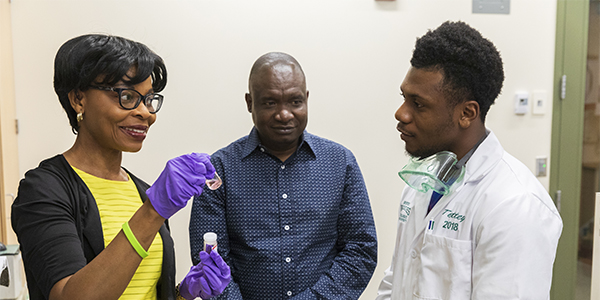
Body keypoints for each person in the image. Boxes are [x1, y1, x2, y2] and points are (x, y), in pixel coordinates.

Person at [11, 34, 230, 300]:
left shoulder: (142, 191)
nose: (146, 113)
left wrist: (183, 293)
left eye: (149, 99)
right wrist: (153, 212)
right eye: (127, 96)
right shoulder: (44, 191)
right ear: (79, 99)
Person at [376, 21, 563, 299]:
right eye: (404, 98)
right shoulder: (421, 183)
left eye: (418, 104)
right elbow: (397, 280)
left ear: (467, 113)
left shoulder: (514, 205)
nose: (401, 114)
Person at [189, 52, 378, 299]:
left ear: (307, 99)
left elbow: (361, 250)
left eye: (295, 102)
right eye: (269, 103)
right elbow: (211, 261)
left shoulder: (340, 162)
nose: (284, 114)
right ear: (249, 103)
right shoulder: (218, 170)